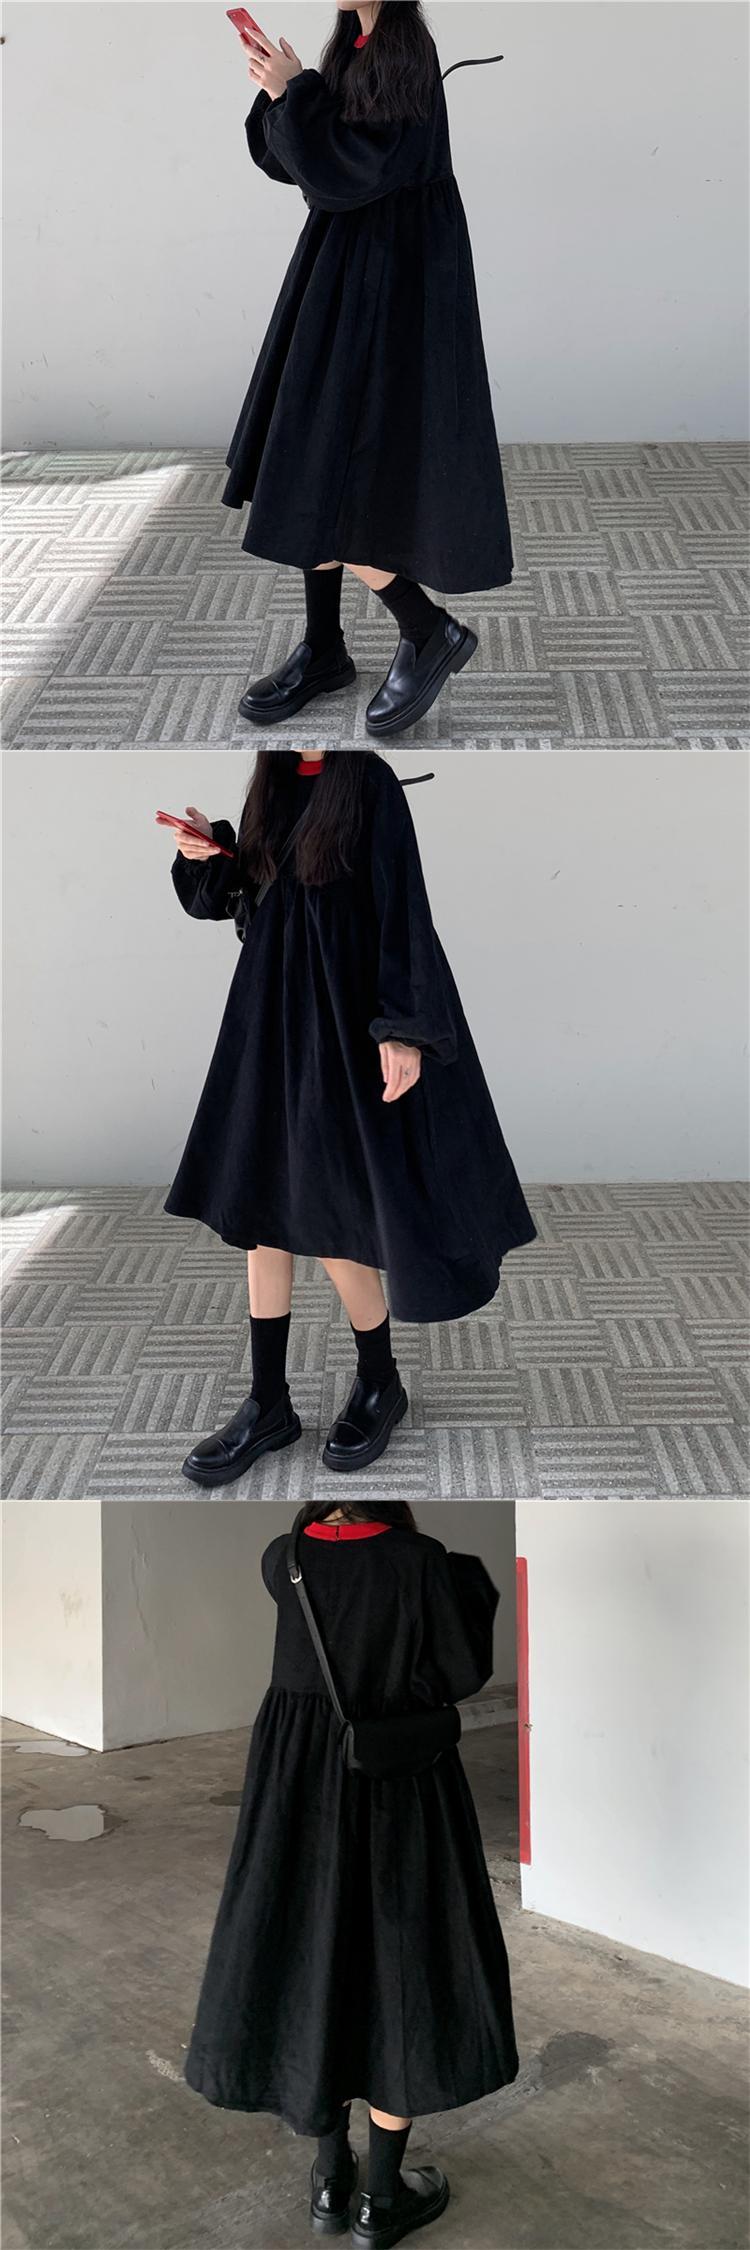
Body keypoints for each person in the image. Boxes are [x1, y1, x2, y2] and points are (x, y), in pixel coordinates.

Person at [162, 751, 536, 1485]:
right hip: (271, 1012)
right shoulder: (274, 778)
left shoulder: (368, 783)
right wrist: (213, 851)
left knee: (332, 1209)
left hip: (343, 1015)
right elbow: (250, 897)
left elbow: (404, 910)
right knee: (262, 1208)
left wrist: (401, 1029)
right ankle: (268, 1402)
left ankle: (378, 1382)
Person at [184, 1501, 519, 2247]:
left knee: (312, 1955)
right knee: (404, 1971)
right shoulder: (420, 1561)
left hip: (297, 1786)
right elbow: (460, 1672)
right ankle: (381, 2200)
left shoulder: (283, 1556)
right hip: (401, 1778)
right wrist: (462, 1582)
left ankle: (331, 2180)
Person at [224, 2, 514, 737]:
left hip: (392, 279)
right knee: (309, 458)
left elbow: (350, 173)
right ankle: (325, 648)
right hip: (348, 262)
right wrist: (282, 91)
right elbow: (303, 164)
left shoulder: (402, 48)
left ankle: (426, 630)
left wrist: (296, 92)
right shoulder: (357, 39)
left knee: (339, 469)